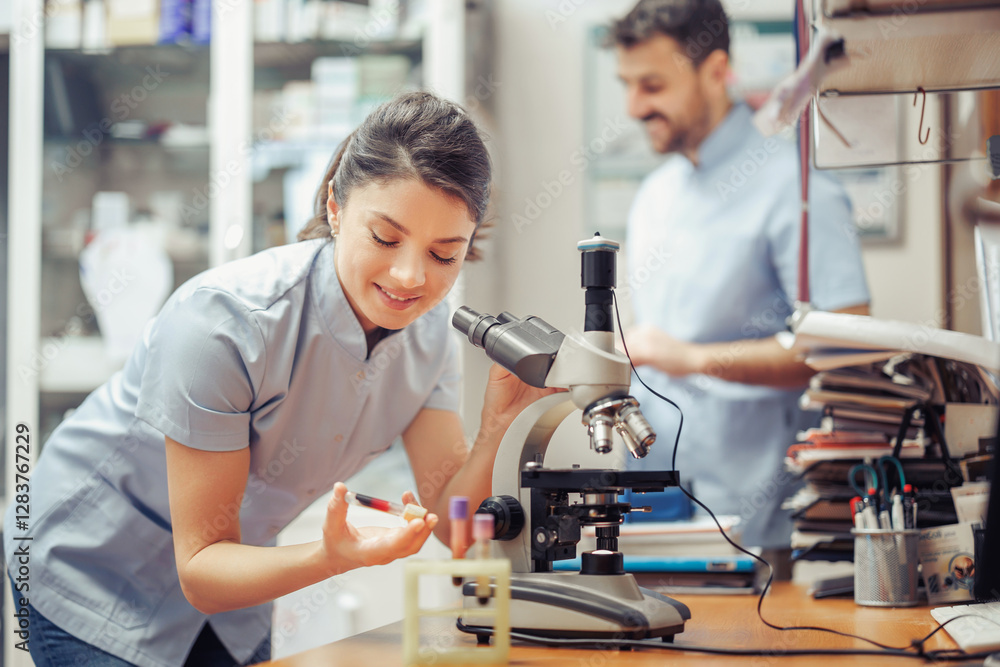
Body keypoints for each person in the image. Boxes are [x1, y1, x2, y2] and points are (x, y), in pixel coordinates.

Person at [4, 91, 552, 667]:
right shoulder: (224, 322)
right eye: (385, 238)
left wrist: (499, 427)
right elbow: (200, 567)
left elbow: (449, 519)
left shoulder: (430, 333)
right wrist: (334, 556)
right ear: (336, 206)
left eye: (444, 255)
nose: (410, 276)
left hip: (235, 591)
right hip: (94, 570)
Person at [607, 0, 871, 542]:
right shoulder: (655, 195)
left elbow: (848, 348)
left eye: (652, 85)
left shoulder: (798, 189)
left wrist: (695, 359)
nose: (633, 106)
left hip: (762, 525)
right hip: (656, 509)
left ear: (717, 71)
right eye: (626, 84)